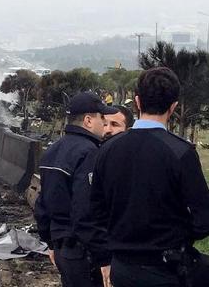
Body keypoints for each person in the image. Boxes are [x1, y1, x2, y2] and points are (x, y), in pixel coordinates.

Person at [90, 67, 209, 287]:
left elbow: (96, 212)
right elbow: (204, 219)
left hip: (123, 268)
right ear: (173, 106)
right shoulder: (181, 152)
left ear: (137, 102)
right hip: (169, 270)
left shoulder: (106, 150)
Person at [34, 92, 118, 287]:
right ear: (89, 120)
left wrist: (50, 242)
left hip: (62, 247)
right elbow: (86, 212)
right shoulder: (89, 153)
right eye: (102, 118)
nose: (104, 125)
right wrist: (104, 258)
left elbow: (42, 204)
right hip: (84, 252)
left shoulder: (53, 150)